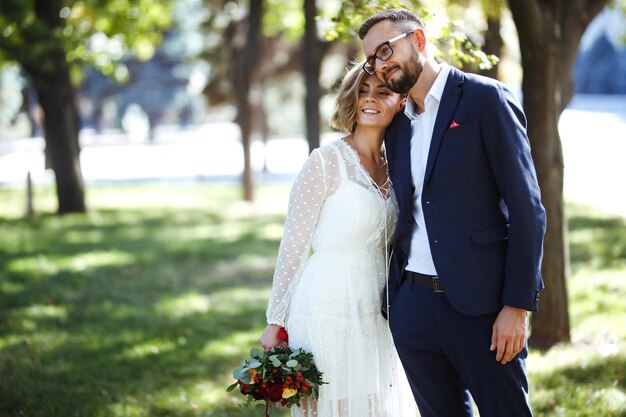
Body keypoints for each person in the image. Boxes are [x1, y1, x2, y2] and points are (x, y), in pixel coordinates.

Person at [358, 8, 547, 417]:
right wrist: (400, 306)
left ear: (419, 41)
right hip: (413, 308)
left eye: (387, 49)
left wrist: (517, 306)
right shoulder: (399, 125)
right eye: (373, 58)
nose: (380, 63)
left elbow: (527, 208)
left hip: (484, 310)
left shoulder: (486, 99)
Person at [260, 62, 416, 417]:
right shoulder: (324, 162)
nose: (370, 100)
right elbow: (293, 246)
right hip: (325, 305)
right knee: (333, 405)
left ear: (402, 101)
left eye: (382, 91)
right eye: (363, 91)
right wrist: (275, 320)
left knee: (376, 403)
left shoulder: (400, 164)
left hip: (378, 307)